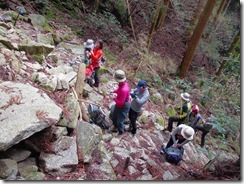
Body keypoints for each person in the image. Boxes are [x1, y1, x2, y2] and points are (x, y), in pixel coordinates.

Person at [110, 70, 130, 135]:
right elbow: (119, 90)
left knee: (120, 121)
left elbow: (121, 103)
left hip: (124, 105)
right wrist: (114, 91)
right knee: (114, 116)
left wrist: (114, 98)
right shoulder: (122, 84)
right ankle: (115, 127)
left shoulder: (124, 89)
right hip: (120, 103)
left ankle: (121, 132)